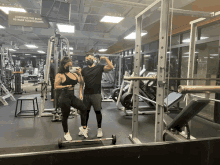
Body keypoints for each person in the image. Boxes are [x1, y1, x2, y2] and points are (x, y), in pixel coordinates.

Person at [78, 54, 114, 138]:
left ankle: (99, 129)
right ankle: (84, 128)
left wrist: (105, 58)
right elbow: (81, 83)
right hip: (86, 94)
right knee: (85, 112)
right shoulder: (84, 70)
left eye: (90, 58)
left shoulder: (99, 67)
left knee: (97, 111)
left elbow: (111, 67)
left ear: (94, 59)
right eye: (87, 59)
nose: (88, 60)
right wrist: (80, 93)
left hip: (96, 94)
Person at [54, 56, 88, 141]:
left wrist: (80, 74)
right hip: (64, 97)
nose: (70, 65)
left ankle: (83, 128)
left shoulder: (73, 74)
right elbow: (55, 86)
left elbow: (81, 82)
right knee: (65, 115)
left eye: (70, 63)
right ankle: (66, 133)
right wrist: (65, 86)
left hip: (72, 96)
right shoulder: (59, 75)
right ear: (64, 65)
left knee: (83, 108)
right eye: (68, 63)